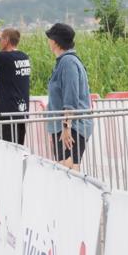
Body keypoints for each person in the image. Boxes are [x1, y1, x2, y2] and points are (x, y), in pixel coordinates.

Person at [45, 23, 93, 170]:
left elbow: (70, 97)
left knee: (68, 169)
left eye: (50, 38)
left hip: (72, 127)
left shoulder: (68, 62)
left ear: (55, 41)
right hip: (65, 125)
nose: (48, 42)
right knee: (67, 168)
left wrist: (66, 127)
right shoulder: (65, 62)